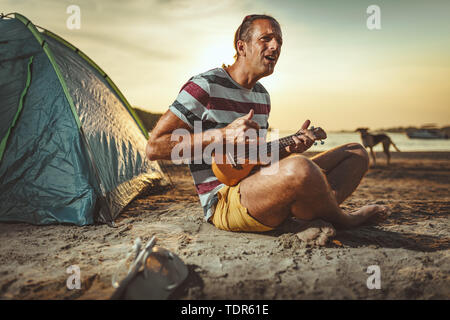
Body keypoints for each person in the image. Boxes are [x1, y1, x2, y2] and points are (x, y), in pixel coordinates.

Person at [146, 14, 390, 233]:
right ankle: (345, 220)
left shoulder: (262, 96)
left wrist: (289, 148)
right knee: (301, 169)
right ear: (241, 47)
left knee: (355, 153)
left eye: (279, 42)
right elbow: (154, 148)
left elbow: (254, 160)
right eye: (266, 39)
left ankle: (310, 214)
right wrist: (222, 135)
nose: (275, 46)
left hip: (258, 186)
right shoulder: (204, 86)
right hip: (224, 200)